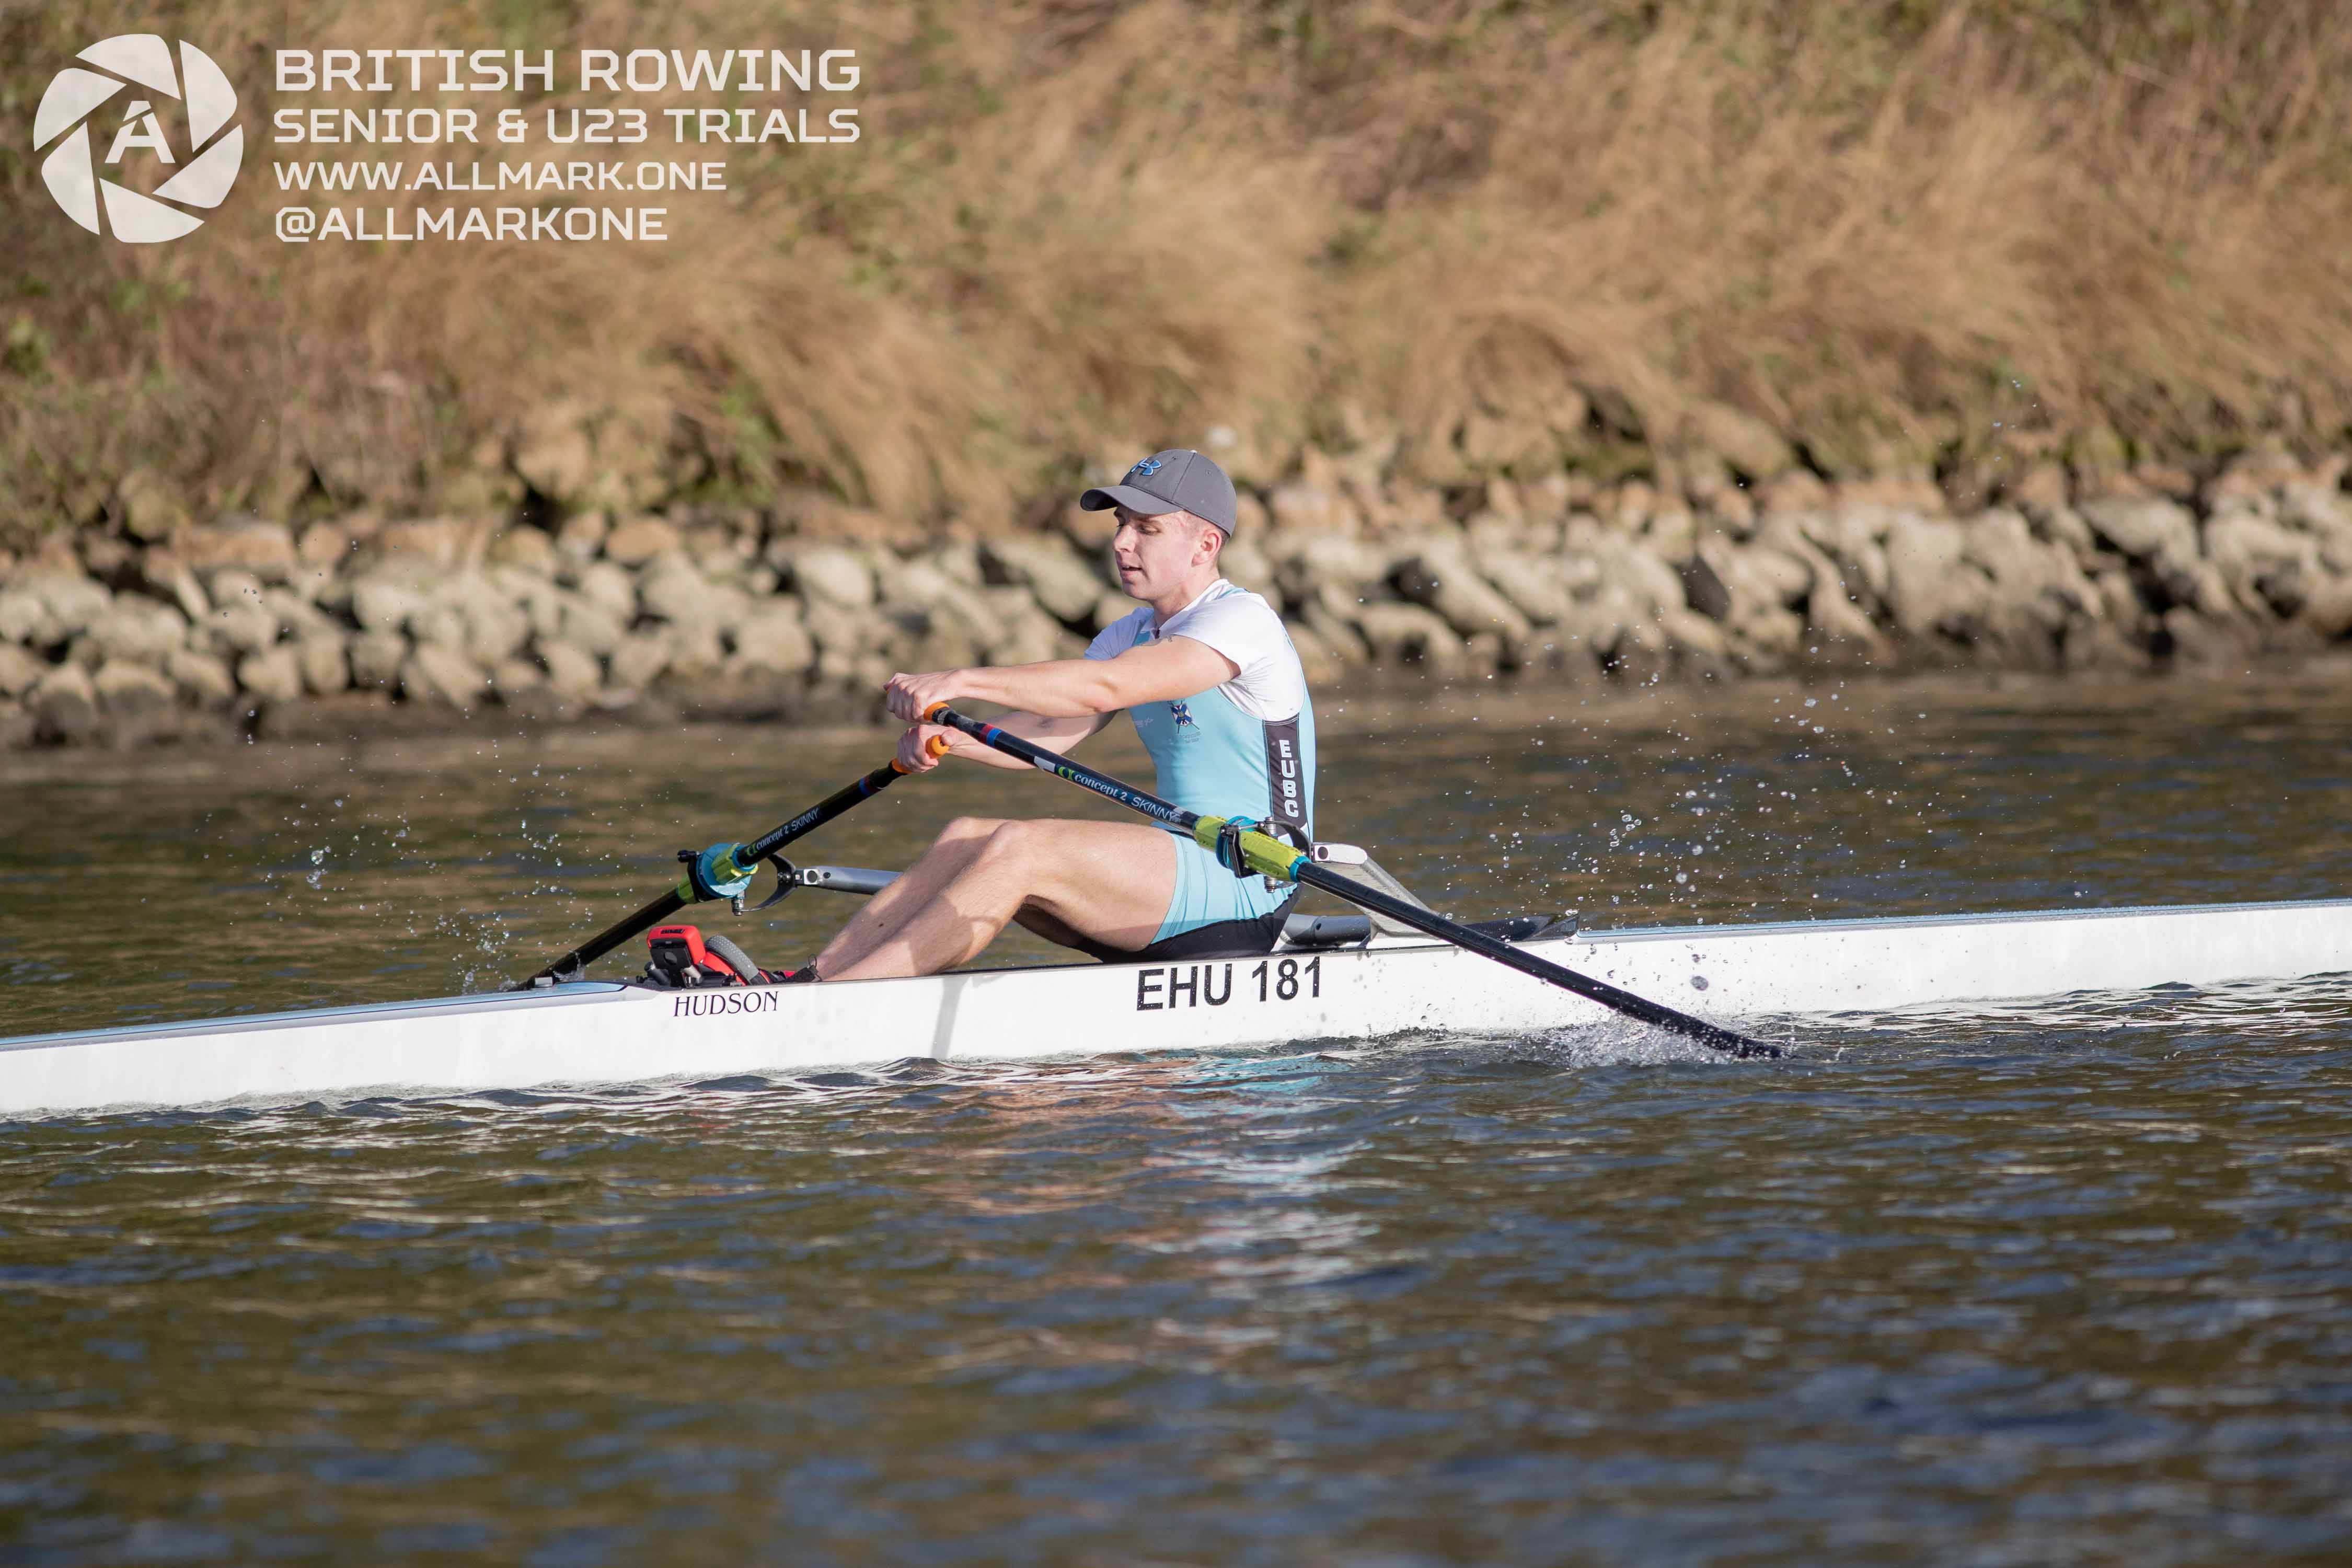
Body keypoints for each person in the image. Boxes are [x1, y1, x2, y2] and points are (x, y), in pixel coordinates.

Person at [770, 448, 1316, 982]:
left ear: (1205, 545)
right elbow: (1048, 732)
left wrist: (961, 680)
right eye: (1121, 525)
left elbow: (1106, 687)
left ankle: (845, 1000)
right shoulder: (1131, 632)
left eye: (1146, 529)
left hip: (1247, 881)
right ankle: (812, 982)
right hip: (1173, 871)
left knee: (1023, 847)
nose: (1121, 543)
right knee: (965, 837)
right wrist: (947, 739)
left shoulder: (1242, 621)